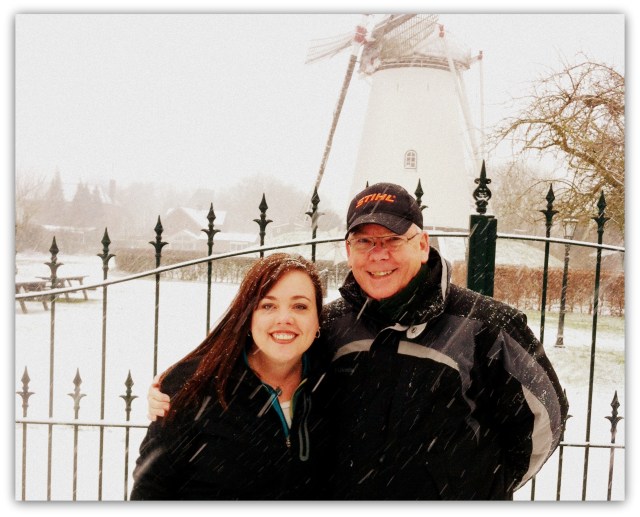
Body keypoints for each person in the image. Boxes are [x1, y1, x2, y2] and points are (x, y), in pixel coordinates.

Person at [147, 182, 569, 500]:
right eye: (364, 241)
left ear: (423, 245)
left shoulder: (486, 326)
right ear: (348, 250)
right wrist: (179, 385)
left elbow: (546, 418)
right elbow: (263, 359)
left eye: (392, 240)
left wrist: (482, 488)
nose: (378, 254)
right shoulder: (330, 324)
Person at [130, 253, 328, 500]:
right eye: (268, 305)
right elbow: (150, 488)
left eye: (300, 306)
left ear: (318, 319)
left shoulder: (336, 383)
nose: (285, 319)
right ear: (248, 315)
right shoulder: (195, 385)